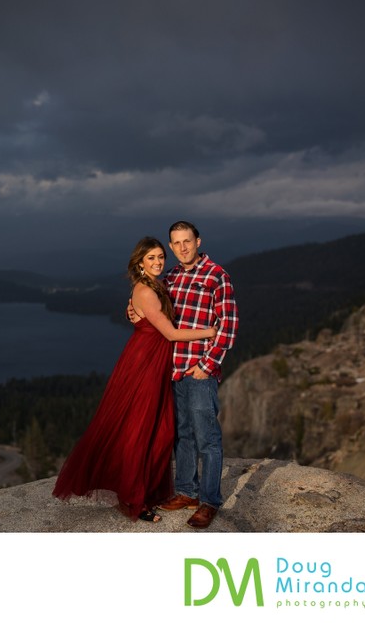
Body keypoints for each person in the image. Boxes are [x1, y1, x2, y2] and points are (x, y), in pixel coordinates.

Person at [52, 236, 216, 523]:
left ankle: (146, 491)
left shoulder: (157, 285)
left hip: (156, 363)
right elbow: (171, 333)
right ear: (139, 263)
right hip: (143, 365)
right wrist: (210, 332)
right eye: (151, 258)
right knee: (139, 429)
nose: (157, 262)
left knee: (160, 430)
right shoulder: (146, 291)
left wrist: (130, 310)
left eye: (160, 257)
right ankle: (134, 500)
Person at [151, 220, 239, 529]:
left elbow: (227, 327)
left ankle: (209, 500)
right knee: (182, 434)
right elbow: (150, 306)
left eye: (187, 241)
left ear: (198, 241)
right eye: (176, 243)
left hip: (200, 371)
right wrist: (131, 309)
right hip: (174, 371)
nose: (182, 247)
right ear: (171, 246)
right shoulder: (171, 277)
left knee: (207, 438)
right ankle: (186, 491)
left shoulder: (217, 277)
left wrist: (207, 366)